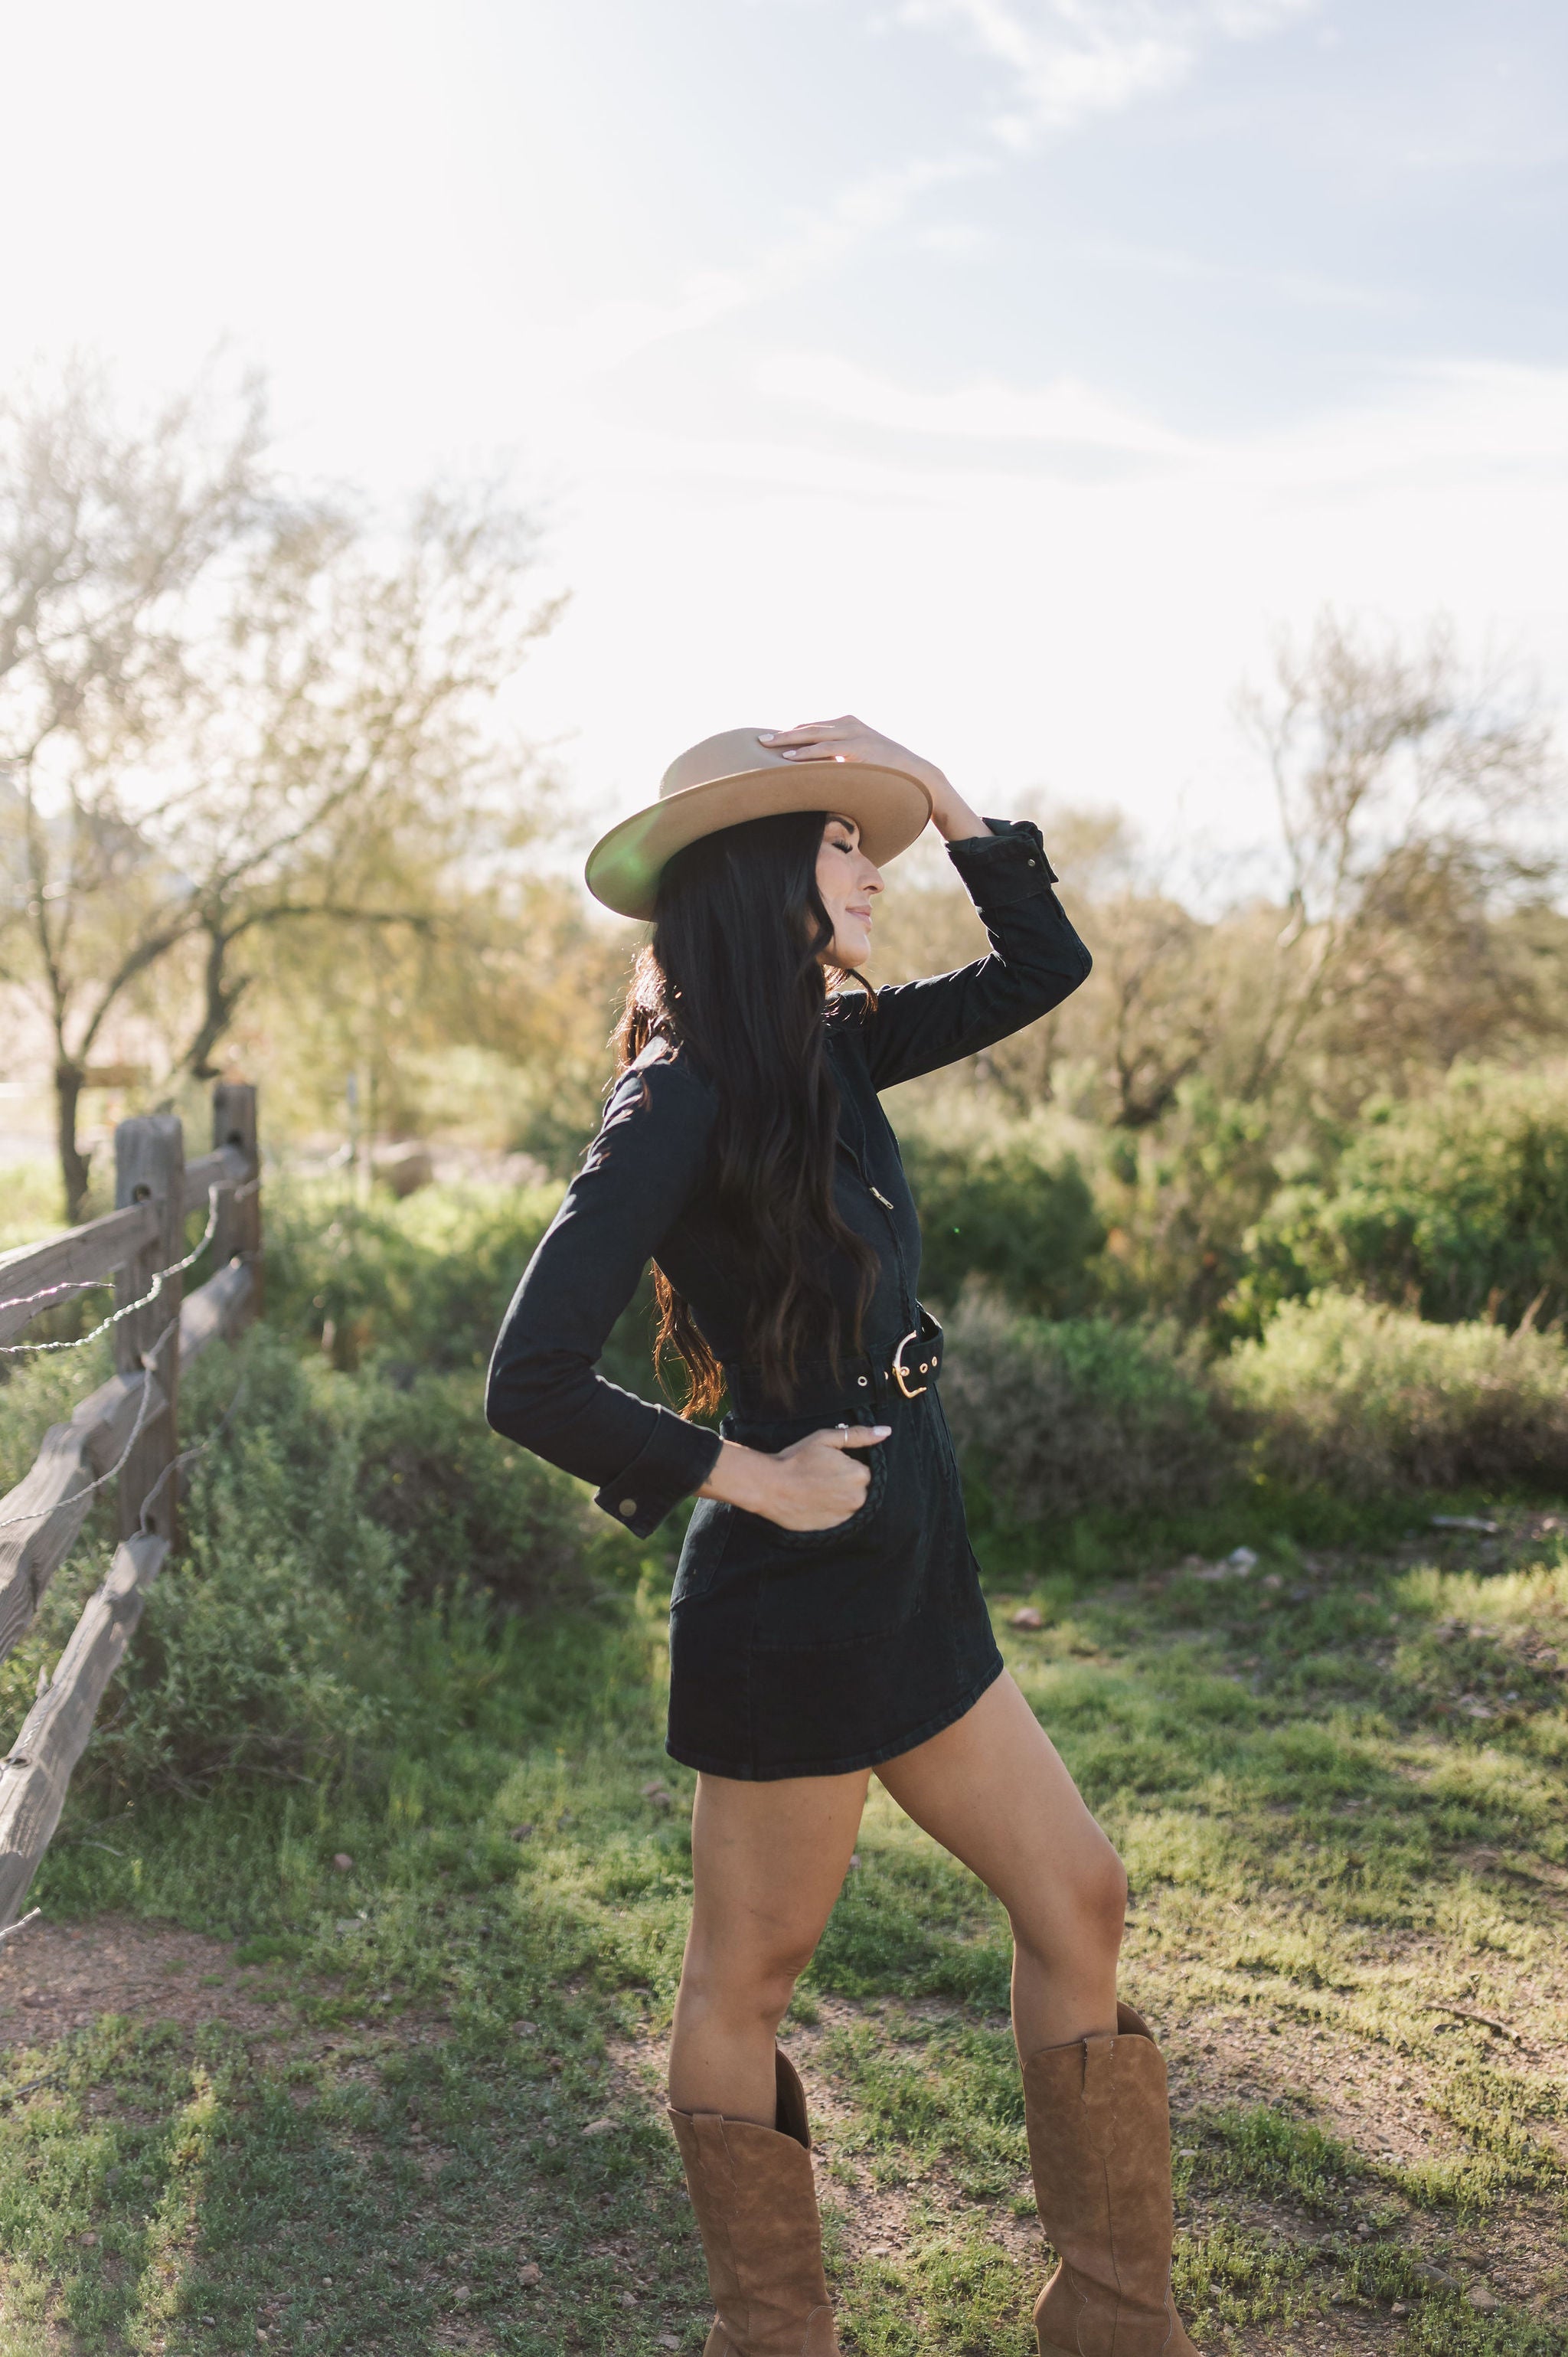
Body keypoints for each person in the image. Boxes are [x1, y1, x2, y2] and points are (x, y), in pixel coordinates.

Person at [486, 718, 1202, 2357]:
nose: (872, 869)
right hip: (786, 1598)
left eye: (872, 842)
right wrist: (748, 1477)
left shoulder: (829, 1050)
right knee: (749, 1981)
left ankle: (1110, 2325)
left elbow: (1041, 964)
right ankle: (776, 2337)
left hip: (913, 1568)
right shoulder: (676, 1096)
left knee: (1078, 1895)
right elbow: (527, 1376)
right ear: (755, 878)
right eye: (837, 842)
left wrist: (935, 785)